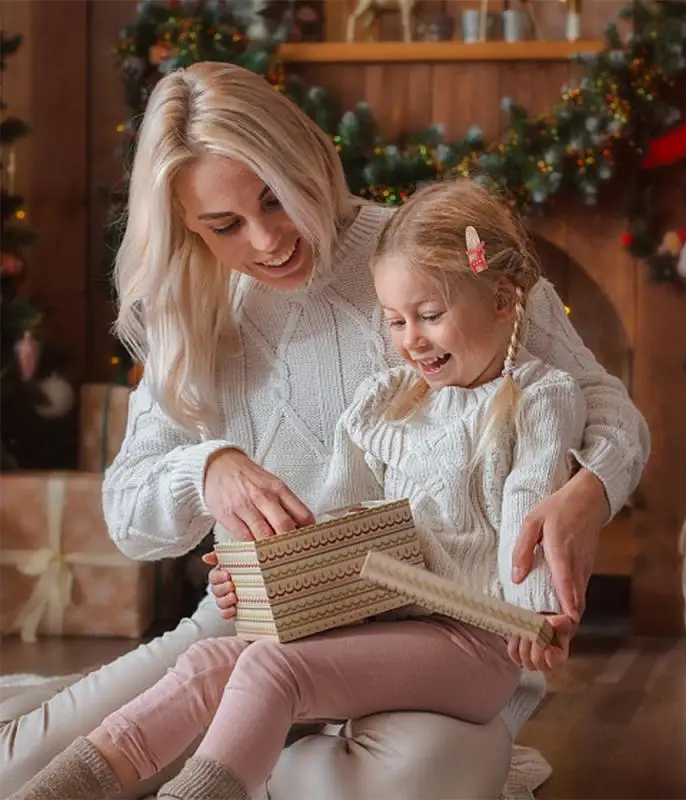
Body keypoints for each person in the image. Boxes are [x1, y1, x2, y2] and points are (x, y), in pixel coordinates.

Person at [0, 61, 649, 799]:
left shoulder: (433, 262)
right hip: (255, 629)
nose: (269, 239)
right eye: (226, 225)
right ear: (186, 223)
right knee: (19, 771)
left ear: (309, 154)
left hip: (426, 636)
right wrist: (206, 471)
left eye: (277, 197)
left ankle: (247, 758)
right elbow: (127, 519)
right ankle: (260, 754)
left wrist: (586, 495)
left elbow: (606, 407)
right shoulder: (188, 307)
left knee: (418, 780)